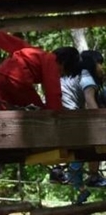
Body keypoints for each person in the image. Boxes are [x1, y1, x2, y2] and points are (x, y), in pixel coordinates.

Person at [0, 26, 80, 111]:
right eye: (62, 73)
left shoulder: (38, 54)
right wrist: (56, 115)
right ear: (64, 63)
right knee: (38, 111)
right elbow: (53, 93)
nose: (59, 76)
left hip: (0, 75)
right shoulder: (52, 61)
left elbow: (19, 45)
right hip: (17, 79)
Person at [57, 49, 106, 203]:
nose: (101, 68)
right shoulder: (85, 76)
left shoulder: (70, 76)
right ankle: (92, 176)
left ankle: (81, 188)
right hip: (70, 119)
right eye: (100, 63)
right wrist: (101, 125)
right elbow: (90, 102)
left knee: (79, 153)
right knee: (90, 146)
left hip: (60, 117)